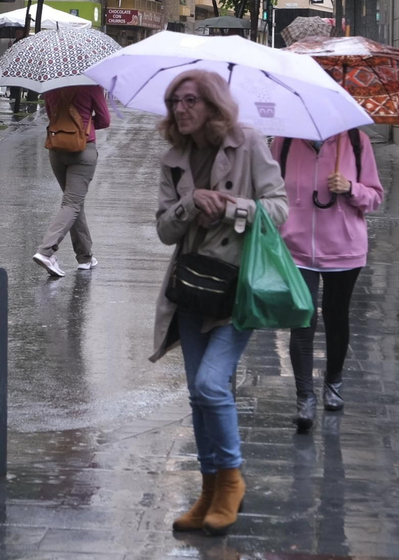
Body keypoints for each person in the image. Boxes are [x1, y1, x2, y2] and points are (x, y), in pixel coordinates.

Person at [152, 70, 287, 536]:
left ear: (211, 104)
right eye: (174, 102)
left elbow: (280, 208)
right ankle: (208, 490)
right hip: (191, 287)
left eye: (190, 101)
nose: (181, 110)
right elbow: (164, 229)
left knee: (212, 386)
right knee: (197, 393)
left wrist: (232, 207)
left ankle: (231, 482)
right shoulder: (174, 158)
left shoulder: (247, 142)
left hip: (236, 288)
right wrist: (191, 204)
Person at [276, 130, 385, 433]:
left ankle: (333, 383)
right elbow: (268, 191)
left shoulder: (355, 141)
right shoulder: (284, 141)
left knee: (336, 317)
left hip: (344, 248)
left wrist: (351, 188)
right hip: (296, 249)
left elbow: (375, 196)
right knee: (303, 319)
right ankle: (305, 398)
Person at [31, 83, 112, 278]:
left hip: (57, 149)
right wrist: (86, 123)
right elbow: (105, 120)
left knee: (74, 203)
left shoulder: (51, 86)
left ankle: (85, 257)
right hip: (83, 149)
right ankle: (46, 251)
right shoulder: (92, 87)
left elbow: (52, 116)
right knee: (72, 203)